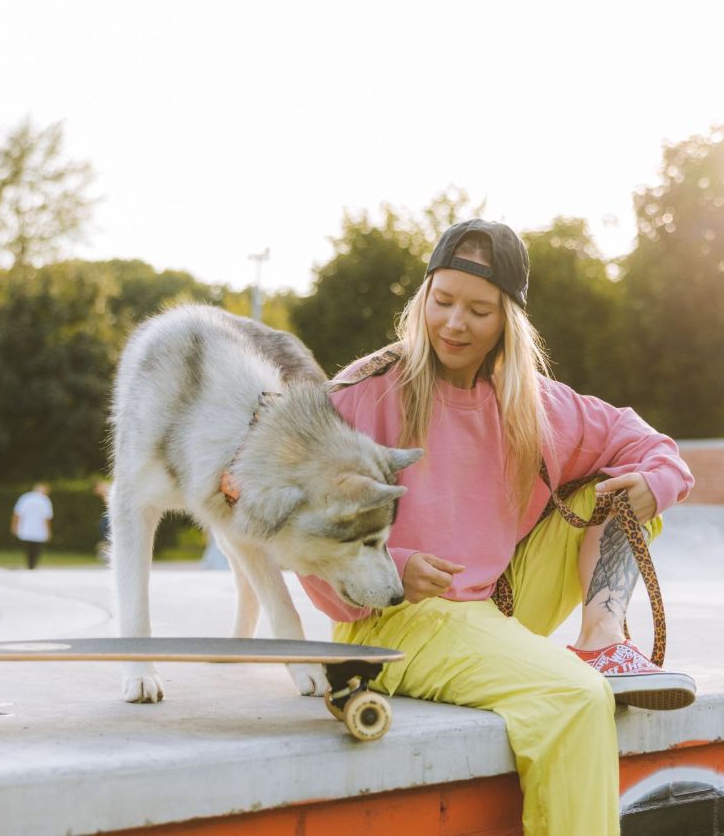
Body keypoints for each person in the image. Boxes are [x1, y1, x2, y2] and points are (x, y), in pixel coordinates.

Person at [297, 219, 695, 836]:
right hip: (389, 625)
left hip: (489, 606)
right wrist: (393, 567)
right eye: (443, 301)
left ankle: (602, 640)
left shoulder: (531, 403)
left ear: (507, 318)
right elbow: (300, 518)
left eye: (478, 310)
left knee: (622, 485)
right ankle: (582, 679)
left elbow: (641, 439)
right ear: (422, 299)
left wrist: (662, 477)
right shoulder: (369, 389)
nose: (454, 323)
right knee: (574, 699)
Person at [11, 483, 54, 569]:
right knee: (37, 548)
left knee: (28, 548)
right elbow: (47, 517)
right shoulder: (45, 500)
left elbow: (17, 513)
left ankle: (30, 564)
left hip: (26, 528)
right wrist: (49, 531)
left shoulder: (25, 498)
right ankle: (32, 565)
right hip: (39, 530)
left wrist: (14, 526)